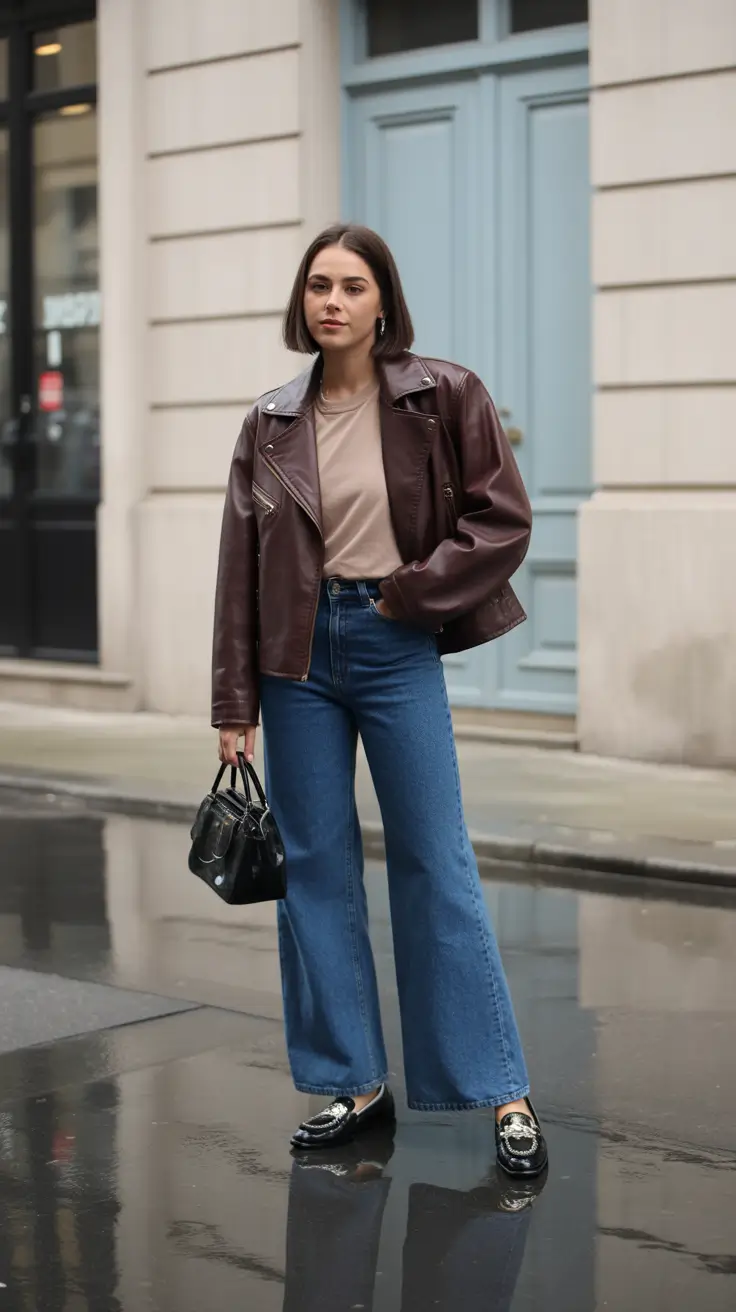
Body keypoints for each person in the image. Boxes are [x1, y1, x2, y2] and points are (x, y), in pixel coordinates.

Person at [212, 222, 547, 1178]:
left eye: (351, 286)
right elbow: (240, 571)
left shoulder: (444, 395)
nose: (331, 301)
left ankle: (501, 1091)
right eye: (318, 284)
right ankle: (352, 1083)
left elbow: (502, 518)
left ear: (382, 303)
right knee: (313, 873)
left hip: (395, 641)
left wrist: (412, 593)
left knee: (435, 861)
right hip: (293, 663)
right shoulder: (269, 421)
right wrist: (232, 703)